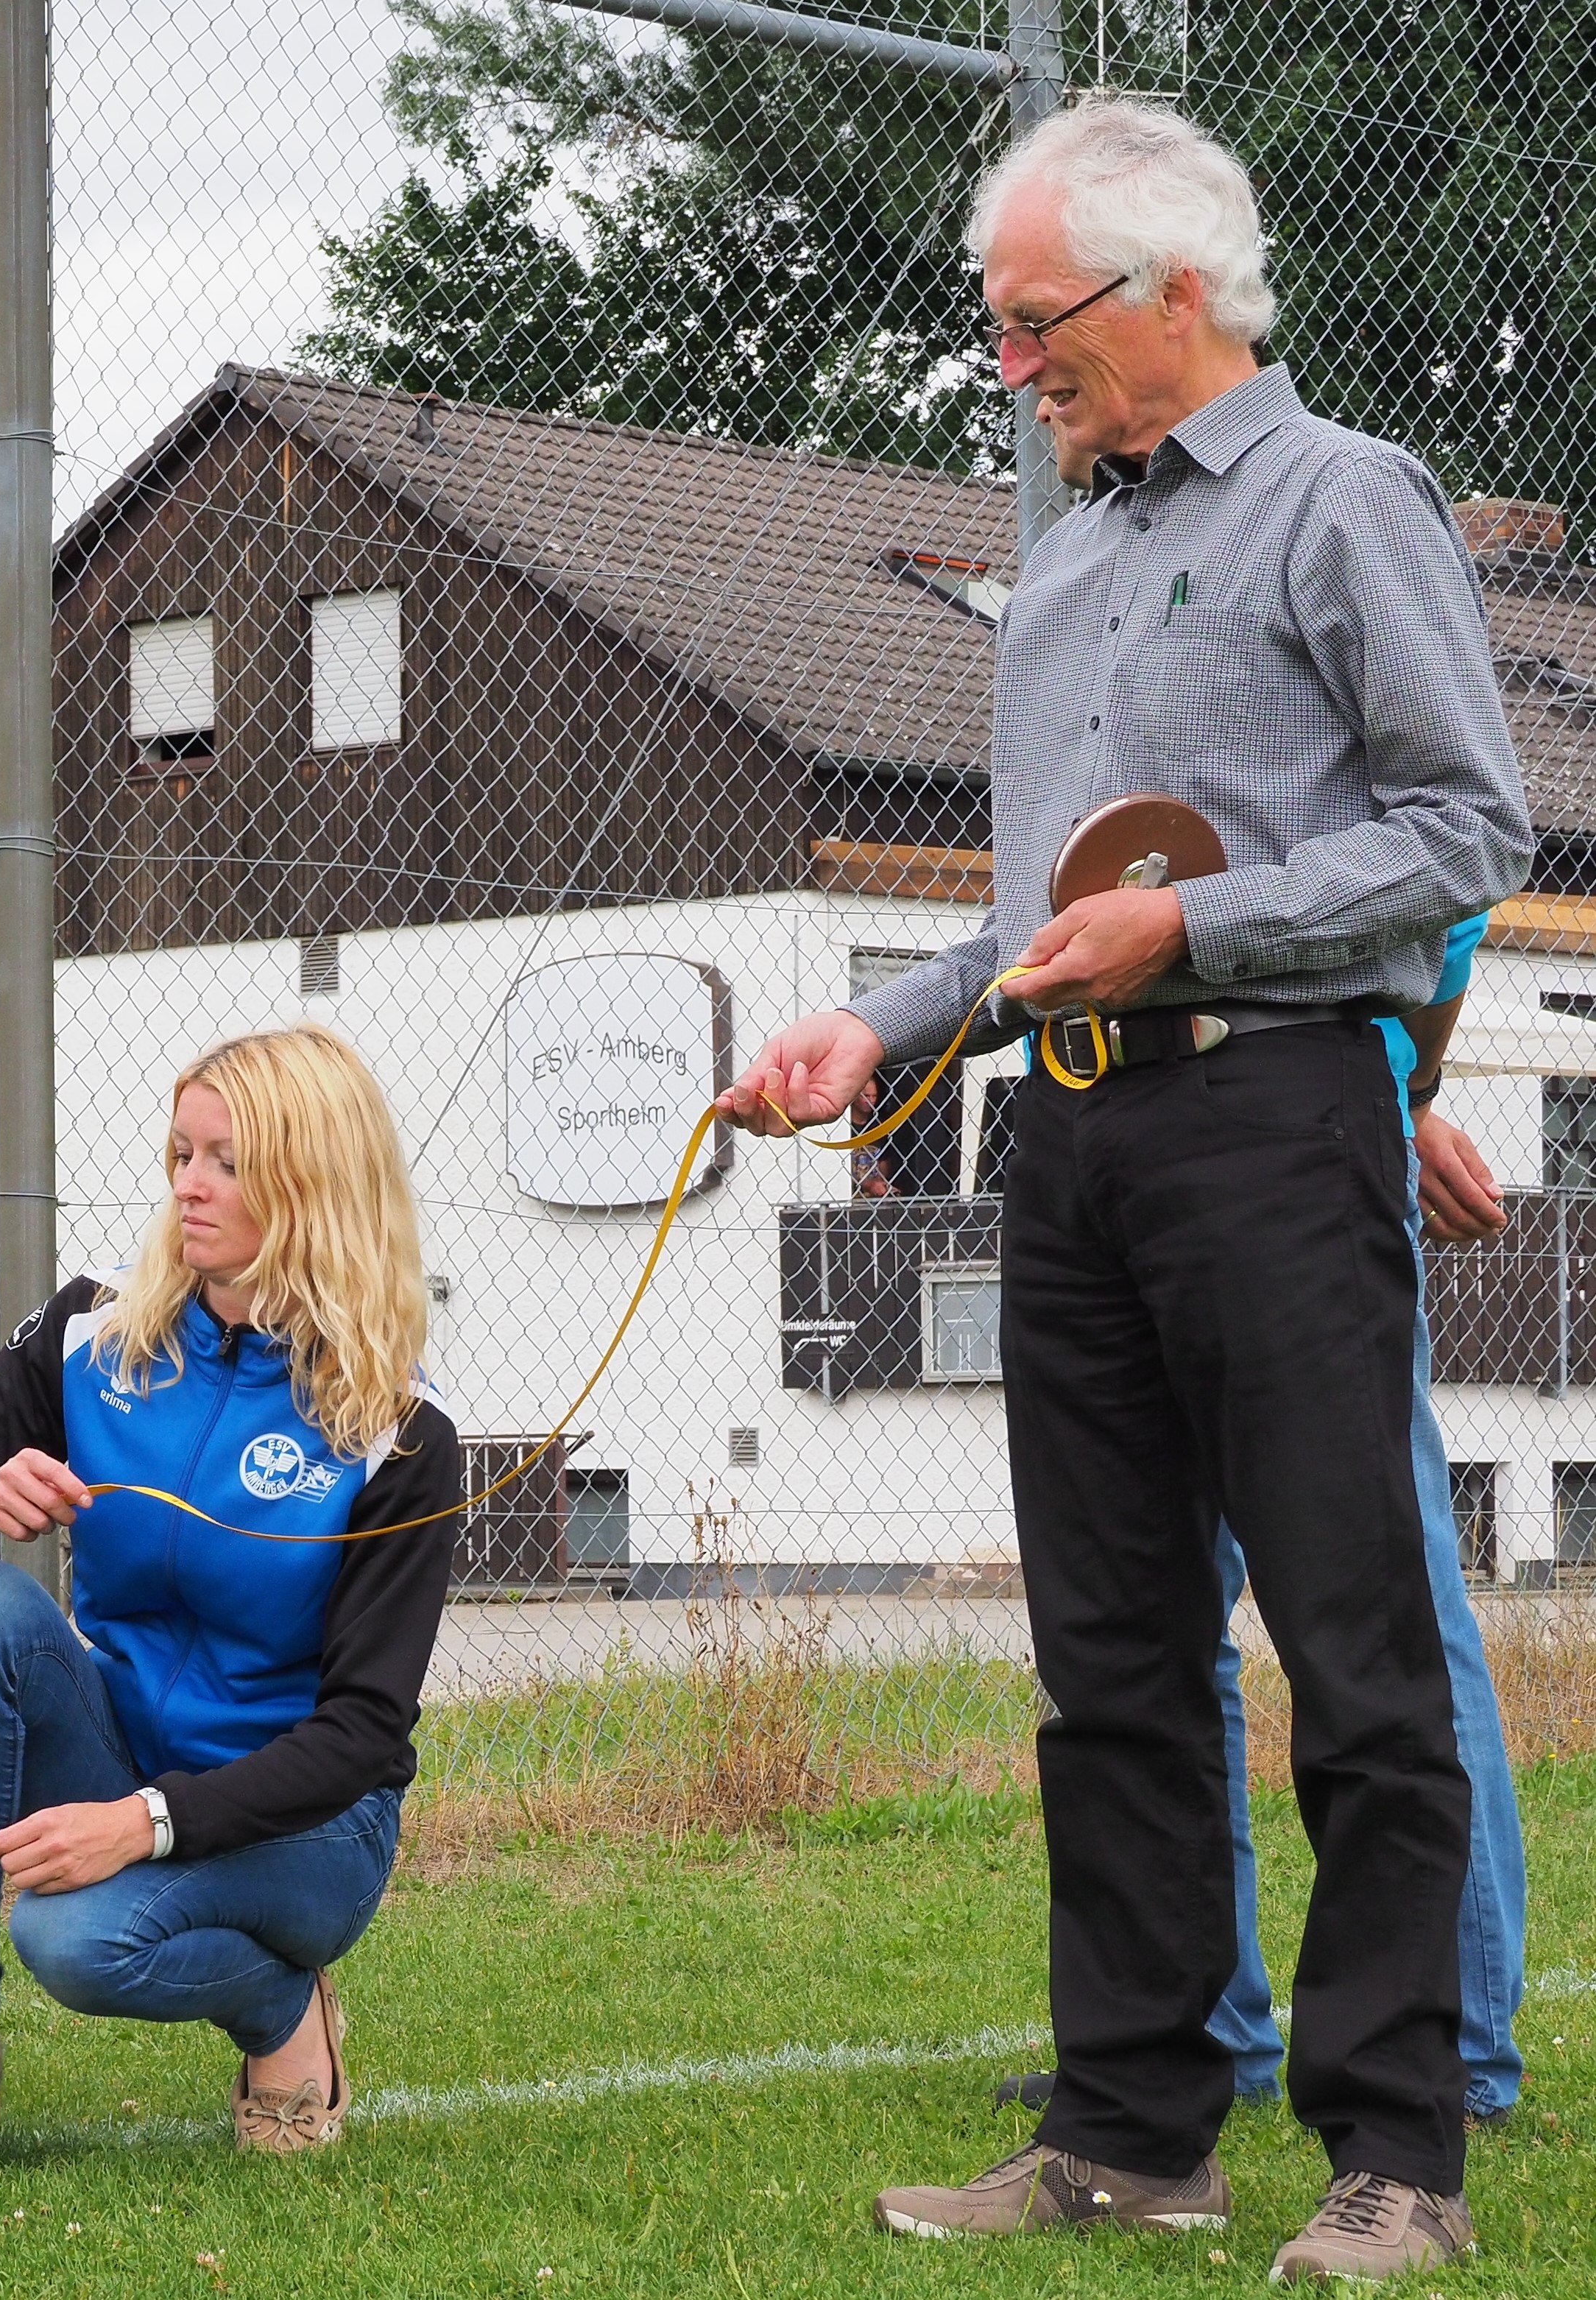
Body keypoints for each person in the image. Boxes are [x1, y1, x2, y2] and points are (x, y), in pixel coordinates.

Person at [717, 99, 1534, 2282]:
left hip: (1272, 1124)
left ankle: (1397, 2159)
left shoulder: (1345, 502)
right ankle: (1131, 2130)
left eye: (1030, 322)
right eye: (992, 327)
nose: (1006, 365)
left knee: (1356, 1648)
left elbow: (1470, 830)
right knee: (1110, 1663)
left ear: (1176, 287)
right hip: (1059, 1138)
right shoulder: (1063, 553)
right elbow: (1029, 926)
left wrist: (1204, 927)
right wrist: (883, 1027)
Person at [0, 1023, 462, 2150]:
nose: (188, 1187)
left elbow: (361, 1732)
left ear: (312, 1183)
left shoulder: (398, 1434)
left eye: (226, 1162)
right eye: (180, 1155)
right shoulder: (91, 1337)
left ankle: (283, 2010)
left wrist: (144, 1826)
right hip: (124, 1756)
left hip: (312, 1828)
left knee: (74, 1942)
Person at [1000, 917, 1529, 2123]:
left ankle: (1464, 2049)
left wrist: (1412, 1090)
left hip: (1306, 1155)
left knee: (1383, 1609)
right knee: (1163, 1625)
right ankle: (1206, 2027)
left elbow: (1447, 907)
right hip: (1131, 1154)